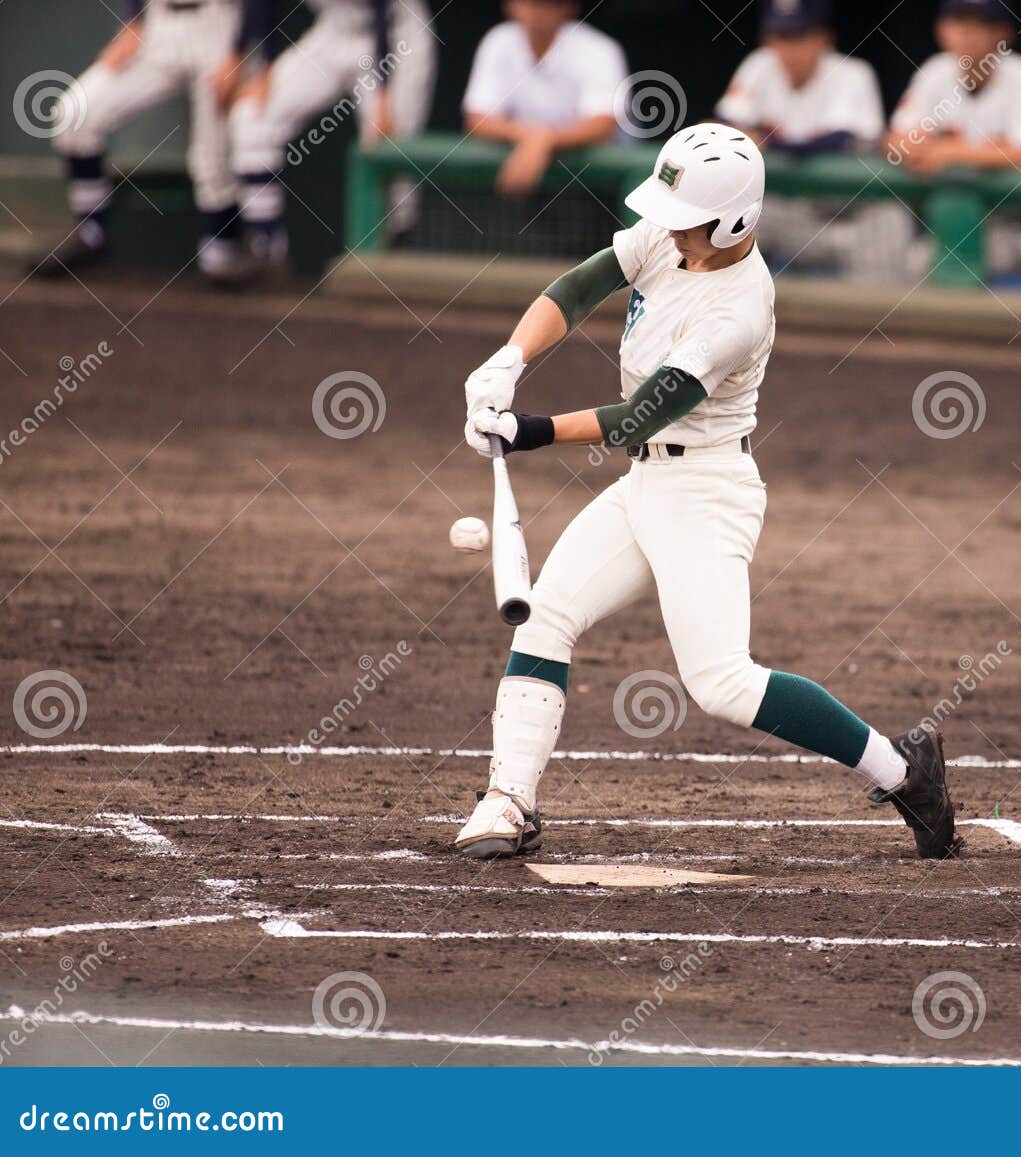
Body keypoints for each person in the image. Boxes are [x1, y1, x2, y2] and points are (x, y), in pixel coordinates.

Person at [450, 123, 960, 862]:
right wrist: (510, 358)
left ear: (734, 222)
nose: (669, 229)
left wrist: (526, 430)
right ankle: (509, 800)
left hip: (706, 491)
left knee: (721, 682)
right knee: (547, 614)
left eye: (687, 220)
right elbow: (581, 286)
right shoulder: (671, 234)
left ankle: (906, 772)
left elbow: (640, 416)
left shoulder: (737, 309)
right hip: (648, 482)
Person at [885, 0, 1021, 294]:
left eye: (980, 24)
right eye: (958, 22)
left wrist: (950, 150)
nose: (967, 34)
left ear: (1002, 34)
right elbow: (897, 140)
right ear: (941, 30)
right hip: (991, 221)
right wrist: (989, 152)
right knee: (921, 267)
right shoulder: (934, 73)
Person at [25, 0, 250, 281]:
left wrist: (240, 49)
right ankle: (91, 234)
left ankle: (222, 252)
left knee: (212, 159)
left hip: (221, 27)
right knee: (73, 115)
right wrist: (132, 19)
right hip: (158, 25)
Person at [226, 0, 436, 280]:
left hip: (397, 35)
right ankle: (267, 248)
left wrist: (384, 96)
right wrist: (262, 66)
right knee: (251, 116)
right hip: (334, 32)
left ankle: (395, 261)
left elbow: (380, 8)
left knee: (390, 150)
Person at [714, 0, 910, 283]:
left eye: (800, 36)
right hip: (783, 211)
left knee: (890, 219)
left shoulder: (853, 73)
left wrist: (765, 140)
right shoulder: (759, 65)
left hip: (844, 214)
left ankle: (870, 311)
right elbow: (724, 125)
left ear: (824, 39)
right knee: (726, 212)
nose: (789, 48)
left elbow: (838, 141)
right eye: (781, 37)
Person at [461, 0, 626, 198]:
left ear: (568, 7)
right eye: (529, 2)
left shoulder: (599, 49)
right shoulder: (498, 40)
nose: (536, 12)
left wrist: (543, 140)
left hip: (602, 189)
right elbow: (477, 119)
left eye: (547, 4)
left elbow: (602, 126)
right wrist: (532, 138)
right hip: (530, 180)